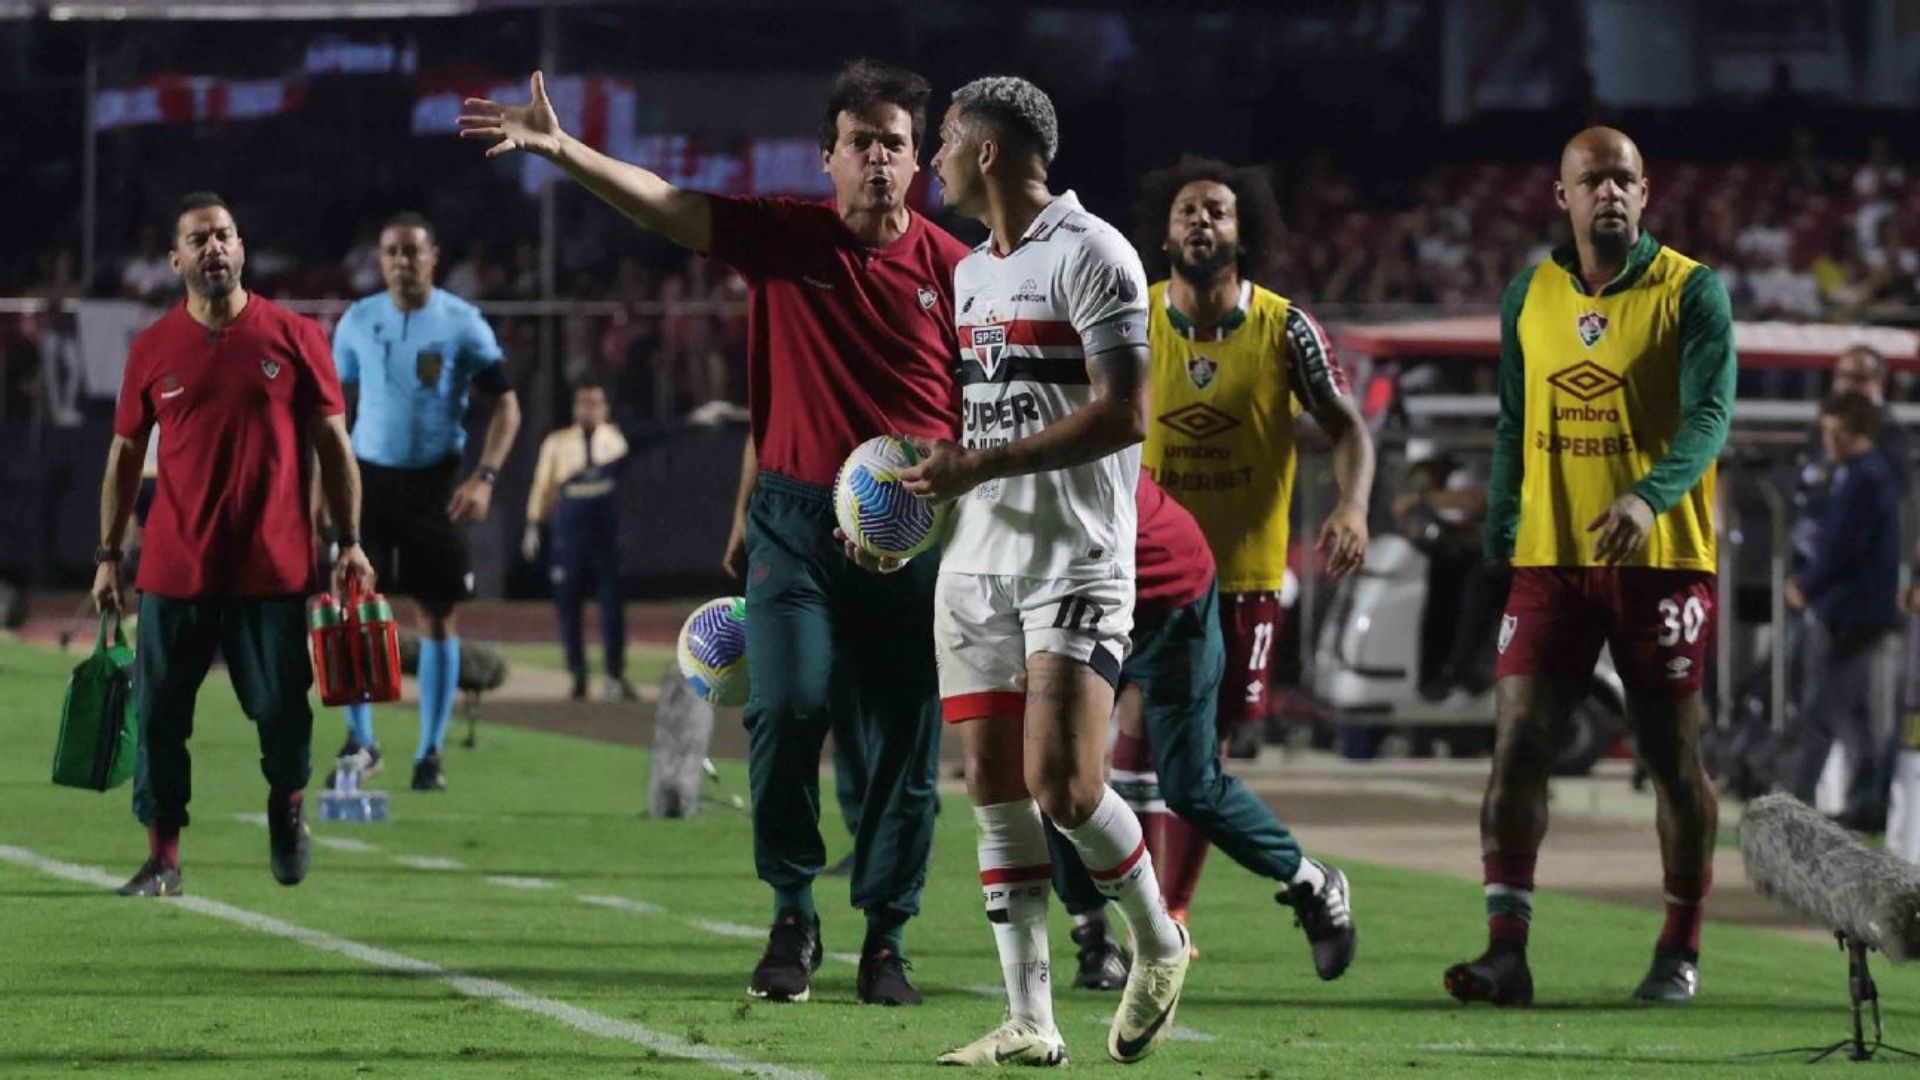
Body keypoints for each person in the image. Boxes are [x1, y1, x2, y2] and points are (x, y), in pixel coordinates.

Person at [461, 60, 967, 1006]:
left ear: (918, 162)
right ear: (828, 159)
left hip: (911, 536)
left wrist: (935, 510)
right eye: (860, 144)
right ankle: (792, 913)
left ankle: (888, 939)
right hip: (797, 520)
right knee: (784, 708)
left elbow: (981, 421)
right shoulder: (786, 238)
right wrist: (564, 149)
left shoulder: (956, 273)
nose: (879, 162)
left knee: (903, 742)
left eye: (895, 144)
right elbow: (665, 205)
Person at [904, 75, 1186, 1067]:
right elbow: (986, 415)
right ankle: (1031, 1018)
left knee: (1064, 787)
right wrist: (898, 503)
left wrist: (981, 464)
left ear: (987, 151)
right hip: (977, 562)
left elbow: (1124, 413)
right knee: (990, 783)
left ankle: (1159, 939)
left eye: (942, 140)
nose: (932, 157)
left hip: (1075, 558)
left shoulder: (1096, 253)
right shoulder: (974, 272)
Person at [1444, 127, 1736, 1006]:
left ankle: (1679, 946)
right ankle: (1506, 950)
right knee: (1519, 742)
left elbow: (1710, 415)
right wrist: (1501, 527)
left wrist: (1648, 498)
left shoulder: (1692, 291)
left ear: (1646, 194)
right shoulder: (1527, 294)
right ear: (1559, 196)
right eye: (1592, 179)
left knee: (1668, 757)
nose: (1609, 192)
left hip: (1663, 560)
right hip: (1552, 559)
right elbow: (1510, 417)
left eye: (1624, 179)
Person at [94, 191, 372, 897]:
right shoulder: (153, 348)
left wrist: (350, 543)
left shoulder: (297, 336)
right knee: (158, 716)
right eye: (198, 239)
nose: (213, 248)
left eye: (223, 235)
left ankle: (287, 806)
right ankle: (164, 858)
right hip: (174, 566)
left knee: (282, 713)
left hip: (272, 568)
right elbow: (125, 455)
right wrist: (107, 556)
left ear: (242, 248)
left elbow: (334, 448)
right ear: (175, 259)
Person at [1132, 155, 1374, 929]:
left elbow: (1349, 430)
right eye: (1187, 210)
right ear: (1165, 234)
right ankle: (1141, 914)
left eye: (1218, 211)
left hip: (1240, 578)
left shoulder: (1284, 327)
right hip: (1142, 571)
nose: (1202, 221)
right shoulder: (1130, 318)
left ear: (1246, 232)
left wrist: (1354, 506)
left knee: (1202, 753)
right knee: (1127, 741)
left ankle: (1172, 910)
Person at [1048, 472, 1357, 991]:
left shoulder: (1056, 427)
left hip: (1166, 595)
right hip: (1080, 593)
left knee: (1190, 787)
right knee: (1052, 770)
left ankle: (1310, 880)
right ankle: (1094, 937)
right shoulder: (992, 431)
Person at [328, 211, 522, 792]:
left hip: (436, 485)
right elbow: (331, 413)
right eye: (391, 253)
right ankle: (361, 740)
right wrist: (324, 486)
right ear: (380, 260)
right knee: (354, 611)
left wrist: (485, 477)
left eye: (411, 252)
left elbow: (506, 406)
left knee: (437, 617)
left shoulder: (462, 323)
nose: (401, 263)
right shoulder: (358, 321)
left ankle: (429, 752)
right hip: (367, 482)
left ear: (433, 256)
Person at [1783, 393, 1904, 830]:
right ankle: (1859, 801)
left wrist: (1807, 586)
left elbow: (1844, 548)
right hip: (1850, 612)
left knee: (1837, 713)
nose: (1828, 440)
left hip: (1855, 616)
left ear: (1860, 433)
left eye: (1838, 433)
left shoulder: (1865, 479)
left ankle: (1822, 803)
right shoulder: (1854, 474)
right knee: (1849, 715)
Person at [523, 379, 633, 701]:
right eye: (583, 403)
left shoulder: (616, 441)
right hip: (569, 535)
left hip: (605, 535)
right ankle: (578, 674)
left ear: (605, 408)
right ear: (574, 407)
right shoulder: (557, 442)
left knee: (612, 607)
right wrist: (533, 524)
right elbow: (543, 484)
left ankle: (614, 674)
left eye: (596, 403)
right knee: (569, 607)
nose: (589, 409)